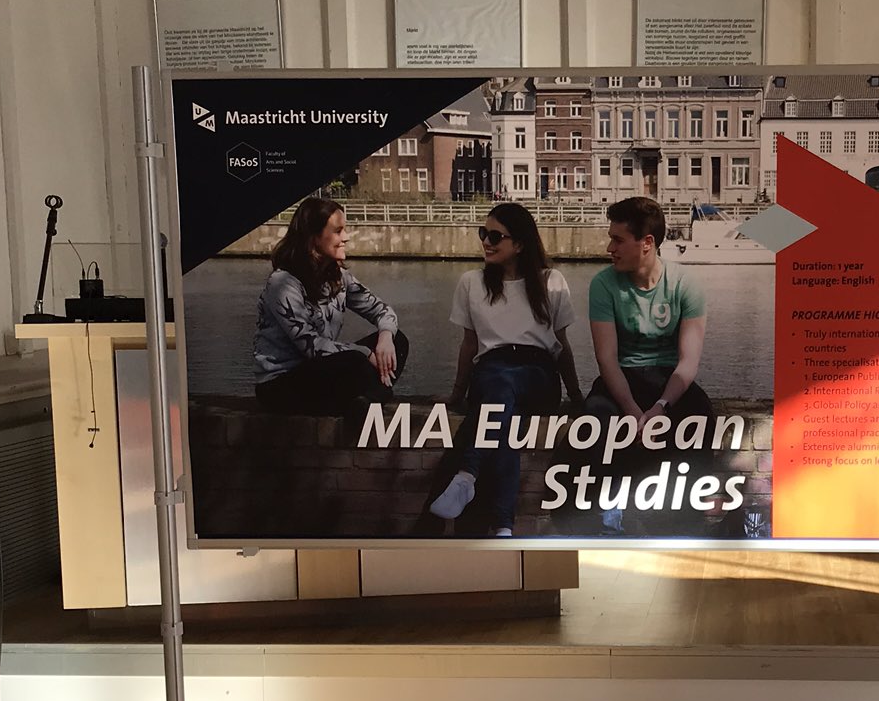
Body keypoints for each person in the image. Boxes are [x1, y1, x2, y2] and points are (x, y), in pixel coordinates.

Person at [426, 202, 581, 536]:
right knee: (504, 420)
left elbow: (561, 344)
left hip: (537, 373)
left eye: (495, 236)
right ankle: (503, 528)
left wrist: (576, 394)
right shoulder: (471, 283)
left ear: (520, 244)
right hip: (492, 371)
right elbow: (469, 345)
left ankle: (467, 475)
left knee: (500, 388)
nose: (486, 242)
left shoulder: (551, 281)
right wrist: (456, 394)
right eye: (483, 233)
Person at [585, 197, 711, 531]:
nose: (609, 248)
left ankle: (687, 519)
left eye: (618, 240)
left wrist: (661, 407)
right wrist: (631, 410)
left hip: (667, 379)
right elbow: (606, 359)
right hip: (622, 376)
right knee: (596, 417)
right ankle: (606, 513)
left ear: (647, 243)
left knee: (700, 414)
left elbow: (688, 361)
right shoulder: (602, 285)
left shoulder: (685, 284)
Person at [253, 197, 406, 413]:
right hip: (281, 383)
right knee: (356, 360)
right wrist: (365, 352)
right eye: (338, 231)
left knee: (398, 342)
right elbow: (311, 346)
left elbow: (382, 310)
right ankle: (374, 397)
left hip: (321, 371)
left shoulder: (339, 276)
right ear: (314, 237)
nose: (346, 237)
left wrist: (386, 337)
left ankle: (365, 401)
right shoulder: (283, 283)